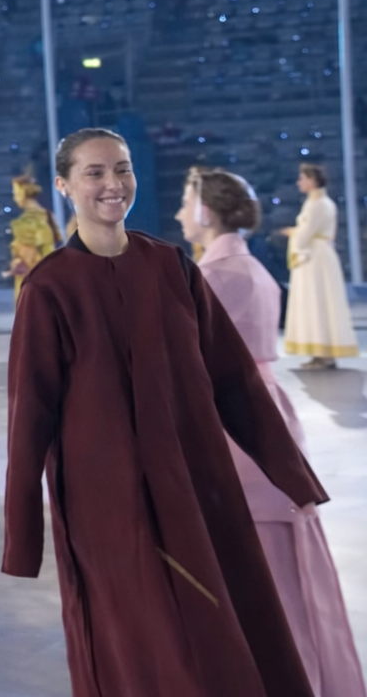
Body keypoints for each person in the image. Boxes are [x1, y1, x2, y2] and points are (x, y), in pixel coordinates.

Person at [4, 127, 327, 697]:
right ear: (64, 185)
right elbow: (30, 416)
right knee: (143, 642)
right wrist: (23, 536)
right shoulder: (49, 288)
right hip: (109, 505)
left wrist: (292, 476)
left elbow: (234, 379)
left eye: (122, 169)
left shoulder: (171, 267)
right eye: (95, 172)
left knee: (224, 630)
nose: (113, 183)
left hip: (196, 482)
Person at [176, 166, 366, 697]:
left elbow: (192, 365)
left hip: (234, 424)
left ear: (205, 210)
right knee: (280, 563)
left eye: (186, 202)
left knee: (257, 571)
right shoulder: (249, 267)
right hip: (264, 413)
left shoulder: (215, 276)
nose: (179, 213)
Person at [283, 162, 360, 369]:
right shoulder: (319, 203)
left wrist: (293, 234)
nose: (299, 182)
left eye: (302, 178)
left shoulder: (317, 204)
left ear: (312, 180)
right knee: (320, 302)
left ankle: (323, 354)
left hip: (314, 258)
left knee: (317, 301)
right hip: (318, 256)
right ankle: (322, 352)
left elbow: (305, 233)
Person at [5, 171, 60, 299]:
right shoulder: (48, 216)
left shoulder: (27, 222)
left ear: (22, 194)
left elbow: (39, 252)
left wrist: (19, 263)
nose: (15, 199)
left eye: (16, 194)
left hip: (34, 278)